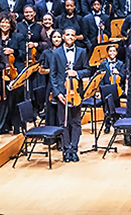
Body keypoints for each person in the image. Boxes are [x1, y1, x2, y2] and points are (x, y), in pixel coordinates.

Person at [50, 27, 90, 162]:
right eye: (67, 35)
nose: (70, 37)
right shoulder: (56, 53)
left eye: (73, 35)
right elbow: (53, 75)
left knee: (76, 122)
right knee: (63, 122)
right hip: (63, 92)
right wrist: (57, 93)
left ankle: (74, 148)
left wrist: (77, 73)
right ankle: (66, 149)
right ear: (63, 36)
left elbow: (87, 70)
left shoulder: (82, 51)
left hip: (76, 93)